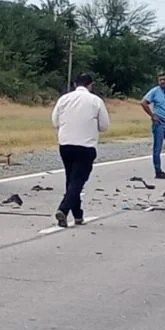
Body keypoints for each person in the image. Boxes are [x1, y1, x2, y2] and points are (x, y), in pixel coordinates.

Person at [51, 73, 110, 228]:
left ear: (75, 84)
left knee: (71, 180)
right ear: (91, 85)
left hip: (65, 144)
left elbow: (55, 122)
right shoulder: (96, 101)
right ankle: (63, 209)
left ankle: (78, 215)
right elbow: (104, 126)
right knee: (77, 181)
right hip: (86, 145)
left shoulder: (64, 99)